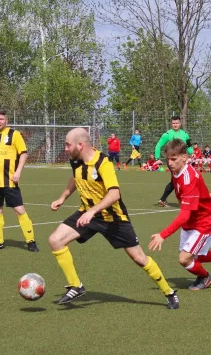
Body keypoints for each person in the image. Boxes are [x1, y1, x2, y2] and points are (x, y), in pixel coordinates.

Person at [48, 128, 179, 309]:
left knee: (139, 258)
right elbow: (75, 178)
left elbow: (115, 194)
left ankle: (169, 293)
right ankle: (76, 286)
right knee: (55, 240)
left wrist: (92, 212)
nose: (65, 149)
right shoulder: (75, 161)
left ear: (80, 145)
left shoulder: (103, 163)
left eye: (67, 145)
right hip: (87, 213)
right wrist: (63, 197)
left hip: (113, 218)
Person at [148, 139, 211, 290]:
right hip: (194, 219)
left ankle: (205, 277)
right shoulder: (177, 170)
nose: (169, 163)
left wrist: (163, 235)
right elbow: (197, 185)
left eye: (174, 159)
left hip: (205, 220)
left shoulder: (188, 178)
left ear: (185, 158)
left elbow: (184, 216)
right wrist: (206, 196)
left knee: (184, 259)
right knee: (194, 255)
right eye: (168, 159)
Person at [0, 108, 39, 252]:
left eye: (1, 119)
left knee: (19, 210)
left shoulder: (14, 135)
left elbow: (23, 154)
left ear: (6, 120)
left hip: (10, 181)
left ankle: (31, 241)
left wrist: (18, 171)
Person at [154, 115, 193, 207]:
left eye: (177, 123)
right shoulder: (167, 134)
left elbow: (189, 146)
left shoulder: (185, 134)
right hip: (172, 161)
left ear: (180, 123)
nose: (175, 125)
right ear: (171, 124)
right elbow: (158, 146)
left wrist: (193, 153)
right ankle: (181, 199)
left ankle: (164, 199)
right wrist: (157, 158)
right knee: (177, 180)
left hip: (182, 161)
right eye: (173, 123)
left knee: (178, 180)